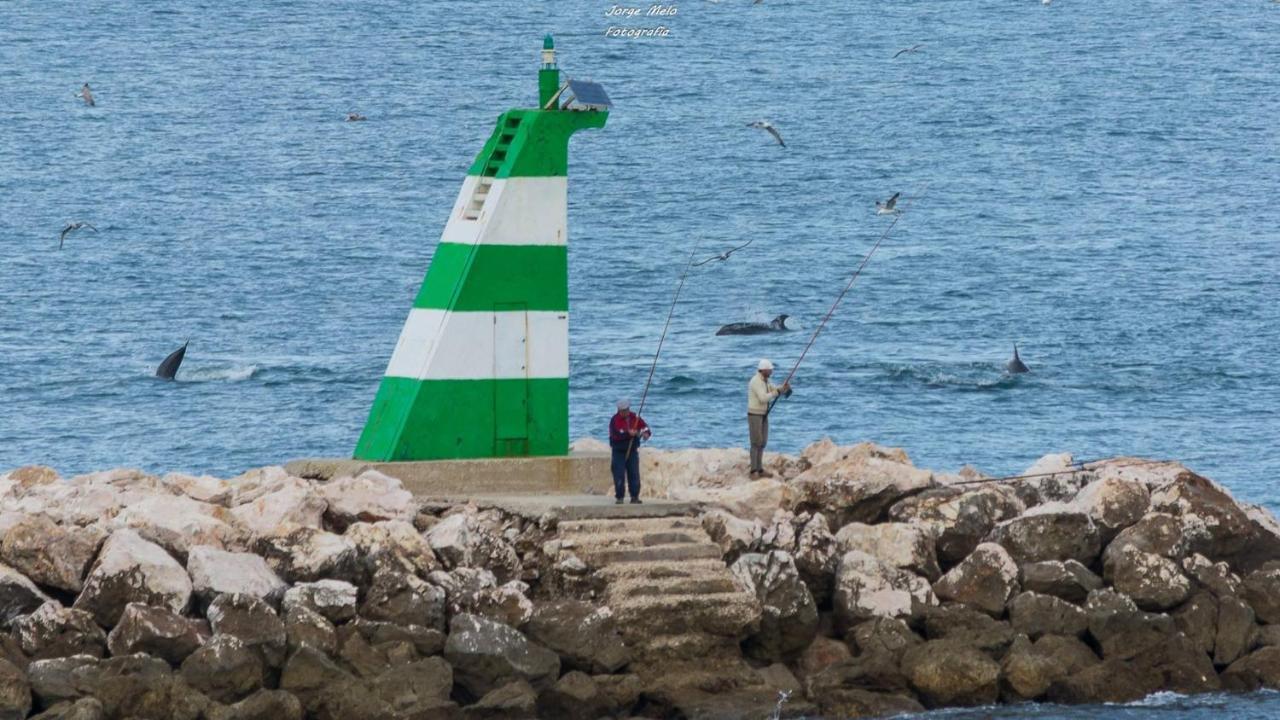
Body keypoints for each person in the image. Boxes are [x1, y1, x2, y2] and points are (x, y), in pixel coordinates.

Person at [748, 359, 791, 478]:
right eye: (770, 369)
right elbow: (763, 398)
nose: (771, 371)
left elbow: (774, 389)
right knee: (756, 442)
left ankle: (760, 469)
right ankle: (753, 471)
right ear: (764, 370)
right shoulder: (755, 381)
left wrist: (783, 388)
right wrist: (777, 392)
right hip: (755, 415)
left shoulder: (766, 381)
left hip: (763, 414)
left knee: (763, 442)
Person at [608, 399, 651, 504]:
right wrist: (628, 434)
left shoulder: (634, 417)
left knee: (634, 473)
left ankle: (635, 496)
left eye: (626, 410)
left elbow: (644, 427)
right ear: (618, 410)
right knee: (619, 474)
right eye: (623, 410)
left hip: (632, 450)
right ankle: (620, 497)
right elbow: (616, 435)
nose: (625, 412)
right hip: (619, 451)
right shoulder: (614, 420)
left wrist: (646, 433)